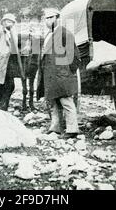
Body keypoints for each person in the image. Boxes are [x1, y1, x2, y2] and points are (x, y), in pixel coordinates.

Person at [37, 8, 81, 139]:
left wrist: (67, 71)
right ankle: (55, 127)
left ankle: (72, 129)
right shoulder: (48, 35)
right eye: (46, 18)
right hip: (50, 75)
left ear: (57, 18)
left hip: (61, 75)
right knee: (53, 101)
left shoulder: (64, 34)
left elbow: (74, 56)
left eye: (51, 18)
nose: (48, 21)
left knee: (66, 101)